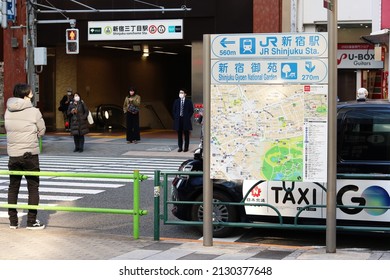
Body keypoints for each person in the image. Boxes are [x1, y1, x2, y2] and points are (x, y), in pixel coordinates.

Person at [4, 83, 46, 230]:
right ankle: (31, 221)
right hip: (30, 155)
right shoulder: (34, 111)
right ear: (26, 94)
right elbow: (42, 131)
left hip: (13, 155)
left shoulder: (8, 110)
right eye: (30, 92)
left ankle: (13, 222)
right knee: (33, 188)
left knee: (13, 187)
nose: (32, 94)